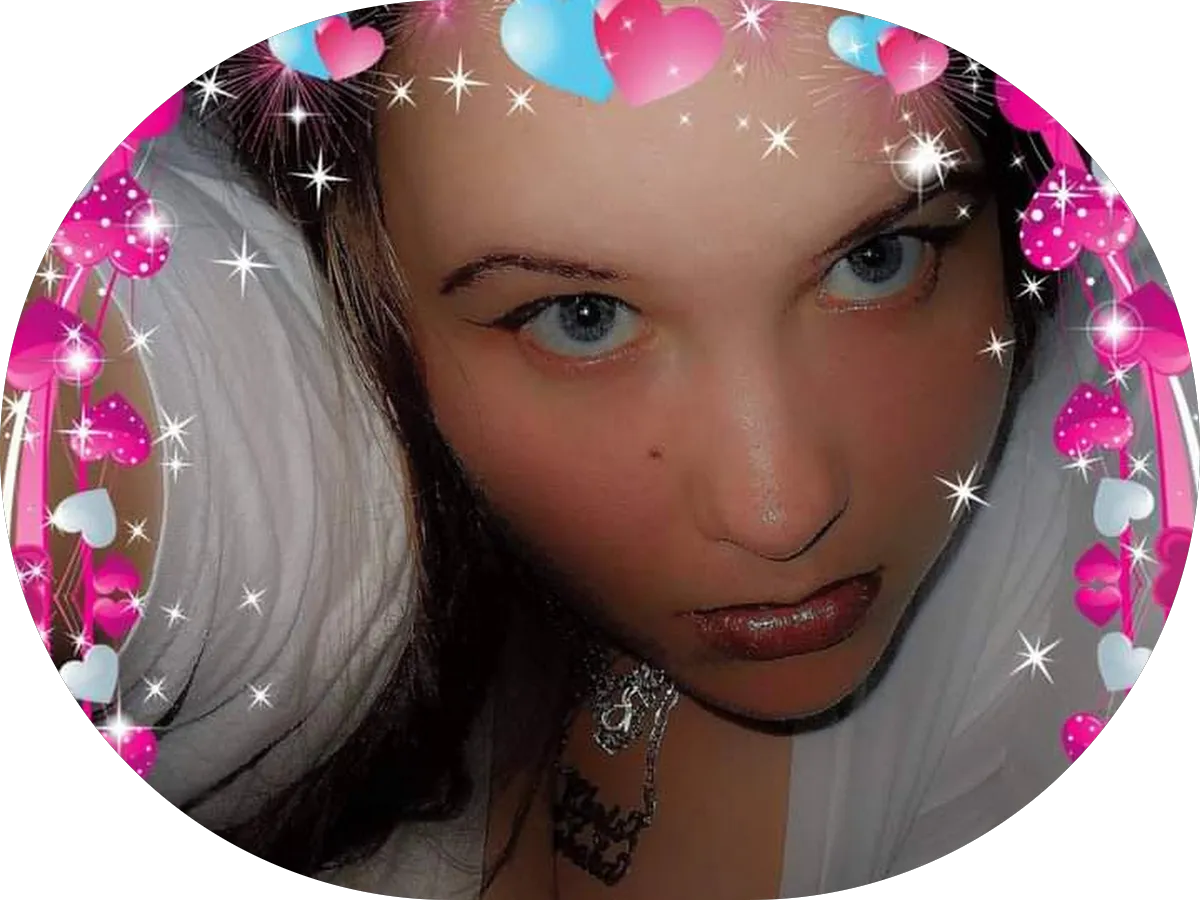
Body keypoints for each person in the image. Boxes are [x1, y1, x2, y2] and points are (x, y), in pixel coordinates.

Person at [6, 3, 1190, 898]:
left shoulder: (1096, 562)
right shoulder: (265, 444)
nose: (780, 511)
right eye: (581, 318)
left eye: (879, 260)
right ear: (369, 288)